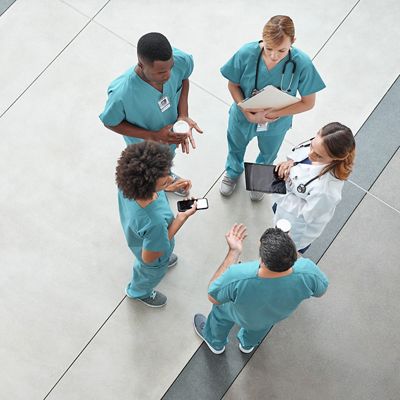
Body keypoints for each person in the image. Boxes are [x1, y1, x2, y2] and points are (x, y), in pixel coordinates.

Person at [219, 15, 325, 201]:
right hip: (243, 116)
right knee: (235, 146)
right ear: (262, 39)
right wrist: (245, 110)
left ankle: (260, 179)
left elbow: (308, 102)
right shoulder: (247, 53)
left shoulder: (302, 63)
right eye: (268, 48)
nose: (274, 55)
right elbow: (232, 84)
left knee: (268, 153)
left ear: (293, 41)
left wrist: (275, 113)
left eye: (281, 50)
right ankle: (232, 171)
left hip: (276, 122)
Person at [194, 224, 328, 354]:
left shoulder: (239, 275)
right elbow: (321, 290)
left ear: (262, 260)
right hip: (270, 317)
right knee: (259, 327)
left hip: (238, 313)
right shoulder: (308, 271)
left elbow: (213, 296)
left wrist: (233, 251)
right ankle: (247, 344)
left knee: (220, 312)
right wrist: (288, 250)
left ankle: (215, 342)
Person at [100, 32, 203, 195]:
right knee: (149, 173)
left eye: (170, 68)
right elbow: (110, 122)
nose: (168, 75)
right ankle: (157, 184)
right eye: (161, 73)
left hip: (169, 139)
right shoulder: (122, 94)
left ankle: (166, 178)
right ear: (141, 65)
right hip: (145, 147)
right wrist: (153, 136)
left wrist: (183, 114)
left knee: (166, 160)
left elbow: (184, 78)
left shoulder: (181, 60)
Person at [115, 141, 196, 307]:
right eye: (165, 179)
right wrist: (181, 218)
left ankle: (163, 260)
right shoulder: (155, 223)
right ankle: (138, 292)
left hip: (143, 238)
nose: (172, 177)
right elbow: (149, 257)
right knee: (149, 273)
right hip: (153, 255)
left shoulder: (127, 187)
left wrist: (166, 187)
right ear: (147, 185)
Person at [273, 122, 356, 253]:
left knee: (283, 252)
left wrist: (279, 187)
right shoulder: (318, 145)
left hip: (295, 230)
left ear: (335, 158)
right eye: (312, 146)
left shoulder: (326, 190)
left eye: (318, 156)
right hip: (284, 206)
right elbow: (298, 156)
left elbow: (305, 217)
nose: (310, 155)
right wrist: (290, 163)